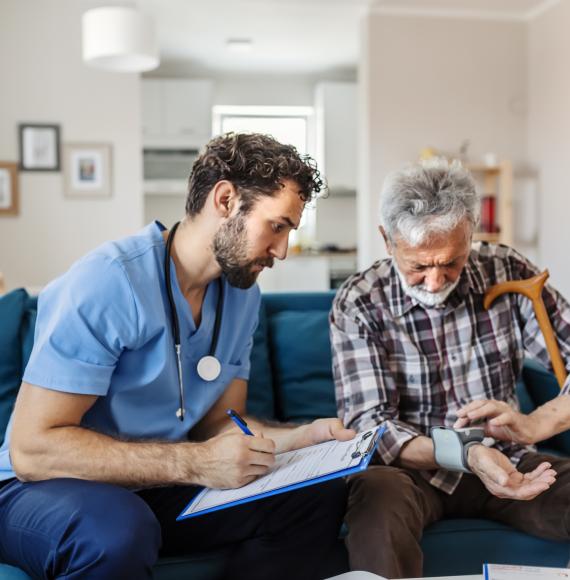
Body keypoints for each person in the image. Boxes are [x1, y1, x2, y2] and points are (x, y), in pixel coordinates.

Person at [0, 133, 355, 580]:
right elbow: (33, 449)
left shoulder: (242, 297)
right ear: (225, 199)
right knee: (118, 531)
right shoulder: (110, 281)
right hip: (43, 487)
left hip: (155, 484)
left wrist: (299, 440)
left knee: (312, 498)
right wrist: (198, 462)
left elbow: (222, 423)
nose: (282, 251)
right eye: (278, 226)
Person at [330, 157, 570, 578]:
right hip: (413, 472)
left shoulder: (509, 271)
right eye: (419, 266)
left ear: (471, 234)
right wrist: (466, 452)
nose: (436, 282)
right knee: (375, 496)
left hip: (510, 459)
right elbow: (370, 426)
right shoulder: (359, 301)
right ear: (387, 240)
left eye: (451, 262)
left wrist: (536, 424)